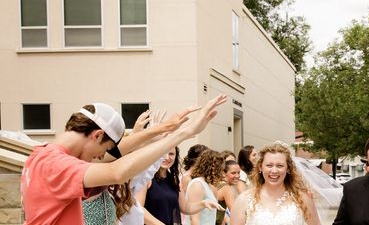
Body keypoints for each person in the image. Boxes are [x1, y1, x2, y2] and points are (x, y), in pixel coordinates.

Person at [21, 96, 227, 225]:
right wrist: (183, 133)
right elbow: (116, 171)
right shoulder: (57, 166)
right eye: (104, 149)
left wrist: (163, 129)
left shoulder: (42, 154)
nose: (101, 157)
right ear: (97, 135)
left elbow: (117, 153)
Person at [231, 141, 320, 225]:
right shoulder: (244, 200)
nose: (274, 171)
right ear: (260, 168)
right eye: (269, 165)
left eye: (280, 166)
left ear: (288, 168)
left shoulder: (302, 198)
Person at [184, 149, 225, 225]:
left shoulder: (208, 185)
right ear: (211, 167)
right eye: (219, 167)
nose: (221, 171)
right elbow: (194, 218)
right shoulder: (197, 184)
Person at [216, 160, 243, 225]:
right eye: (233, 173)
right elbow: (235, 212)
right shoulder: (227, 188)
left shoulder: (218, 183)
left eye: (238, 173)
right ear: (223, 173)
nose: (237, 176)